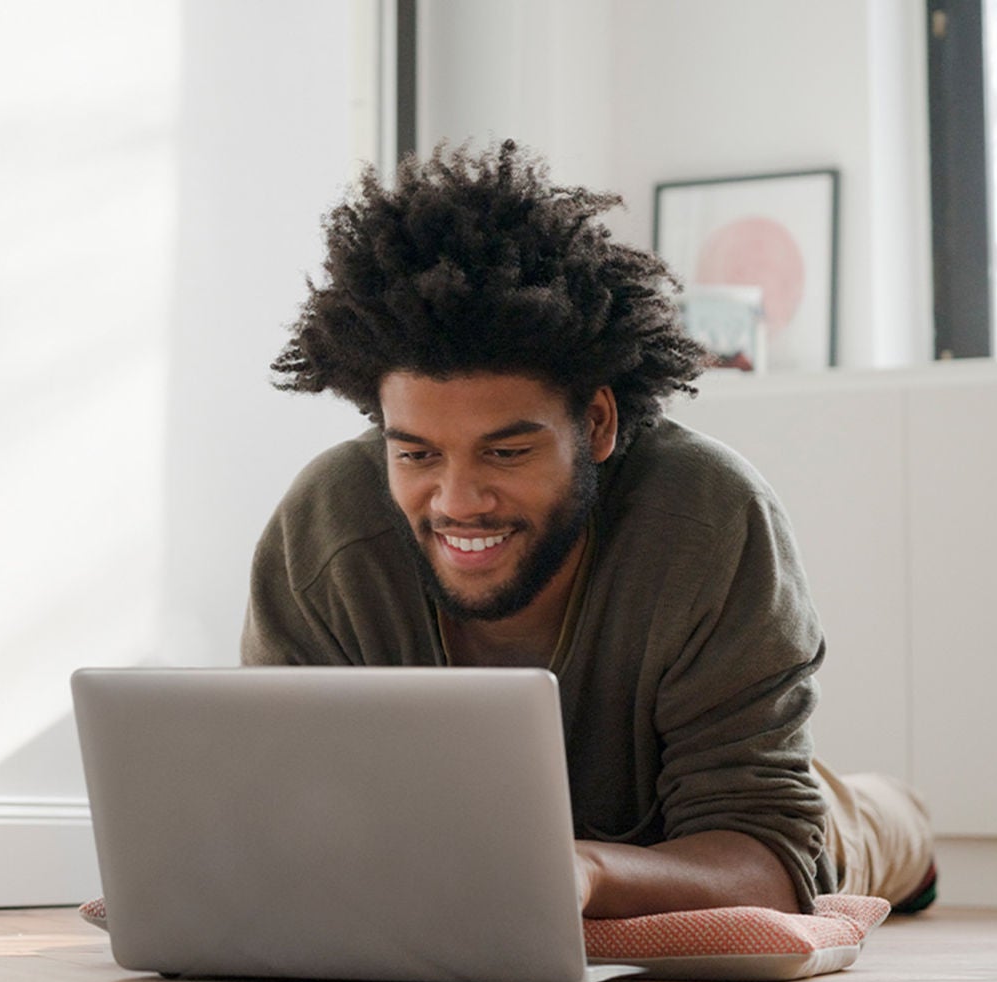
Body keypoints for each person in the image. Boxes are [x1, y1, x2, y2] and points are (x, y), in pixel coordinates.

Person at [243, 140, 935, 918]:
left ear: (597, 423)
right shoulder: (326, 534)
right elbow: (282, 817)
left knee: (850, 833)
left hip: (687, 832)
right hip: (472, 852)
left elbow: (768, 858)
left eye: (506, 451)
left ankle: (888, 810)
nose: (458, 500)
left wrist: (583, 876)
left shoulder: (708, 521)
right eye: (416, 453)